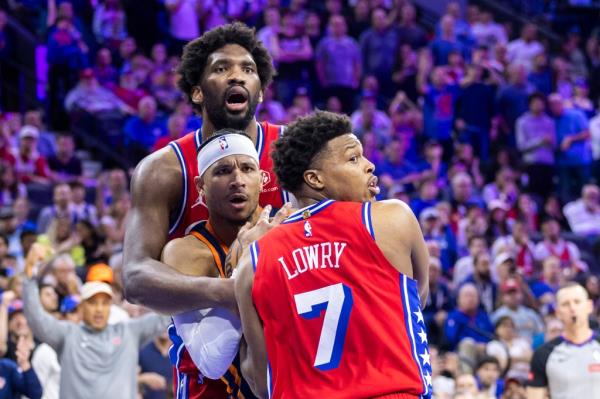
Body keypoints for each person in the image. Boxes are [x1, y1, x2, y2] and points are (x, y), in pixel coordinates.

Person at [235, 111, 431, 398]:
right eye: (354, 159)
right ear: (314, 179)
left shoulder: (252, 263)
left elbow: (261, 381)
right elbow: (416, 301)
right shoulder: (391, 218)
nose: (369, 165)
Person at [122, 22, 288, 315]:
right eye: (222, 68)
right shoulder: (163, 169)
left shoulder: (292, 151)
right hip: (203, 342)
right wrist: (230, 290)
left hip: (284, 338)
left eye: (248, 70)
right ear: (197, 92)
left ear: (260, 92)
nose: (237, 75)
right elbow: (135, 278)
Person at [23, 244, 170, 399]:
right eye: (93, 303)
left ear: (111, 307)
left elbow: (167, 314)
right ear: (81, 307)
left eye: (105, 303)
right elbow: (36, 318)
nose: (99, 309)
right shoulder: (67, 335)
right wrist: (30, 273)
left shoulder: (129, 332)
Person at [527, 283, 600, 399]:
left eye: (577, 302)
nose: (572, 308)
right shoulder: (543, 354)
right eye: (566, 304)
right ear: (558, 312)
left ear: (589, 306)